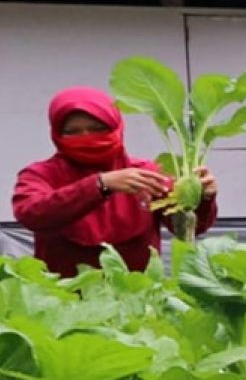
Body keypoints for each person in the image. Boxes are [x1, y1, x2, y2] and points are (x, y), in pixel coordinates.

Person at [11, 87, 218, 277]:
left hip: (137, 299)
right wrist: (100, 185)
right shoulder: (42, 174)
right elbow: (31, 213)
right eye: (72, 132)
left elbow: (188, 226)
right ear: (56, 133)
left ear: (116, 126)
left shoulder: (145, 173)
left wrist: (202, 198)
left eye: (97, 128)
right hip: (64, 302)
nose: (86, 137)